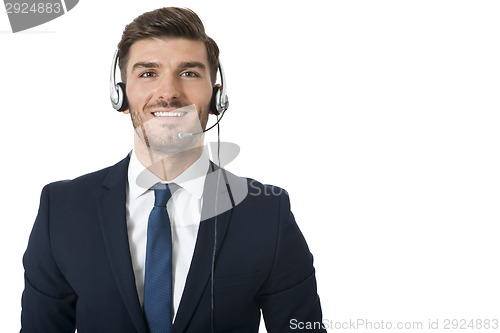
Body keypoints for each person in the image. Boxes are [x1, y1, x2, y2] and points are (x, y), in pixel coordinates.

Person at [20, 7, 326, 333]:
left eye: (189, 73)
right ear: (120, 95)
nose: (168, 93)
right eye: (148, 73)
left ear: (217, 97)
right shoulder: (62, 208)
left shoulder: (267, 212)